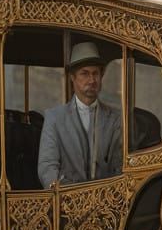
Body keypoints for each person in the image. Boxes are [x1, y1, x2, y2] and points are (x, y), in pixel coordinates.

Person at [38, 41, 122, 187]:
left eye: (95, 73)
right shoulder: (54, 118)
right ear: (72, 77)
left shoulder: (115, 119)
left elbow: (119, 165)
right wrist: (58, 192)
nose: (92, 80)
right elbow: (47, 165)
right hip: (66, 202)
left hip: (105, 202)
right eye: (85, 73)